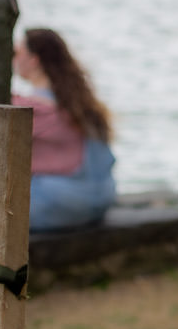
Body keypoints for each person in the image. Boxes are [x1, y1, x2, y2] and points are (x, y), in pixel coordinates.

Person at [11, 27, 117, 232]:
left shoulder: (32, 107)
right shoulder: (81, 102)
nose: (13, 60)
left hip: (64, 204)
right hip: (102, 199)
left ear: (34, 60)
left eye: (17, 53)